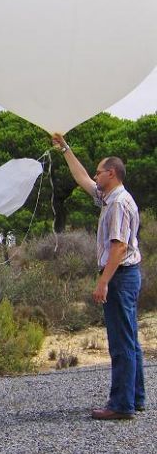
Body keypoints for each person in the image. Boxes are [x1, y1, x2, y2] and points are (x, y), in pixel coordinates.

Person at [52, 134, 144, 420]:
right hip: (126, 275)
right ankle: (135, 398)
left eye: (99, 171)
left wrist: (103, 281)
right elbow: (82, 179)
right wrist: (65, 148)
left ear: (111, 173)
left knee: (121, 342)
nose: (95, 175)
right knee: (130, 339)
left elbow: (119, 246)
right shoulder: (109, 197)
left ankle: (120, 405)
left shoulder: (117, 203)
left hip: (120, 276)